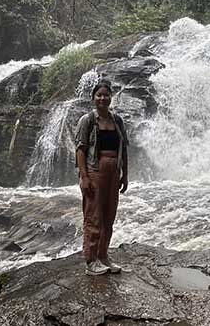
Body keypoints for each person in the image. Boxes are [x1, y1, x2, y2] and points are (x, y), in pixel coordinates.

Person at [74, 79, 129, 276]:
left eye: (106, 95)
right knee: (93, 216)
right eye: (99, 95)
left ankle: (104, 256)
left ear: (111, 97)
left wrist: (125, 175)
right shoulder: (87, 120)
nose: (103, 98)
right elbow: (80, 149)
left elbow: (124, 149)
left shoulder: (117, 121)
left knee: (108, 216)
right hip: (94, 172)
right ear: (93, 98)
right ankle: (91, 260)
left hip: (114, 172)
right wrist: (84, 176)